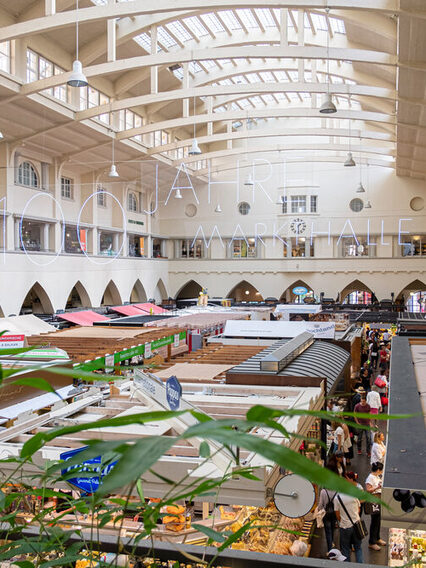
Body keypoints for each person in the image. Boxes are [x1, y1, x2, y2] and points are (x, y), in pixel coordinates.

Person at [335, 472, 363, 563]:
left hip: (345, 526)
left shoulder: (337, 498)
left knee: (345, 549)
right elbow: (358, 509)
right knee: (358, 548)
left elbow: (337, 515)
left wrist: (344, 520)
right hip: (356, 525)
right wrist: (353, 515)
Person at [365, 462, 385, 551]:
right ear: (378, 470)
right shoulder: (370, 478)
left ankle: (377, 538)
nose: (382, 472)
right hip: (373, 500)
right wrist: (377, 487)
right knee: (374, 521)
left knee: (378, 520)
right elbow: (368, 489)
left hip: (378, 499)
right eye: (381, 470)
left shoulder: (376, 476)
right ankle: (372, 542)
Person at [318, 487, 338, 552]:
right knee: (332, 529)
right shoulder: (337, 490)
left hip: (326, 514)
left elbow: (320, 504)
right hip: (334, 513)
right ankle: (331, 542)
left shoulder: (323, 491)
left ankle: (330, 550)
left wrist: (319, 510)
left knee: (328, 531)